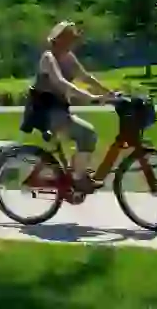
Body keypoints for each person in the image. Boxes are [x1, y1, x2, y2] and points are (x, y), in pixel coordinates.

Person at [31, 21, 113, 193]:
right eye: (70, 39)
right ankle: (77, 178)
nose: (73, 43)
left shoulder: (68, 56)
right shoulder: (48, 57)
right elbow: (60, 83)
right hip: (45, 112)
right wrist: (90, 97)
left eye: (74, 39)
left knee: (86, 135)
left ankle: (75, 174)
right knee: (87, 134)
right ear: (58, 40)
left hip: (59, 110)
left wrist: (109, 92)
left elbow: (85, 77)